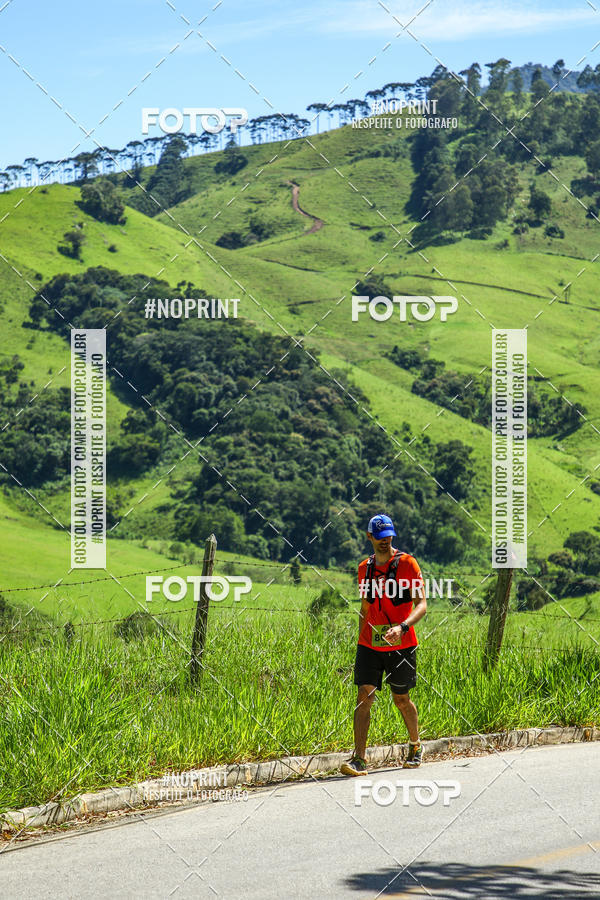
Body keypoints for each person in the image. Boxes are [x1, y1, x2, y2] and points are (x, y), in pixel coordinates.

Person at [341, 514, 427, 776]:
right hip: (370, 644)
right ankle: (359, 759)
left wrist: (402, 627)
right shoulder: (363, 568)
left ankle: (415, 745)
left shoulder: (408, 564)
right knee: (363, 697)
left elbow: (421, 605)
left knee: (401, 699)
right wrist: (360, 641)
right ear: (369, 537)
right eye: (379, 538)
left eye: (388, 537)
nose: (384, 542)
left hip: (401, 643)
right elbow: (365, 608)